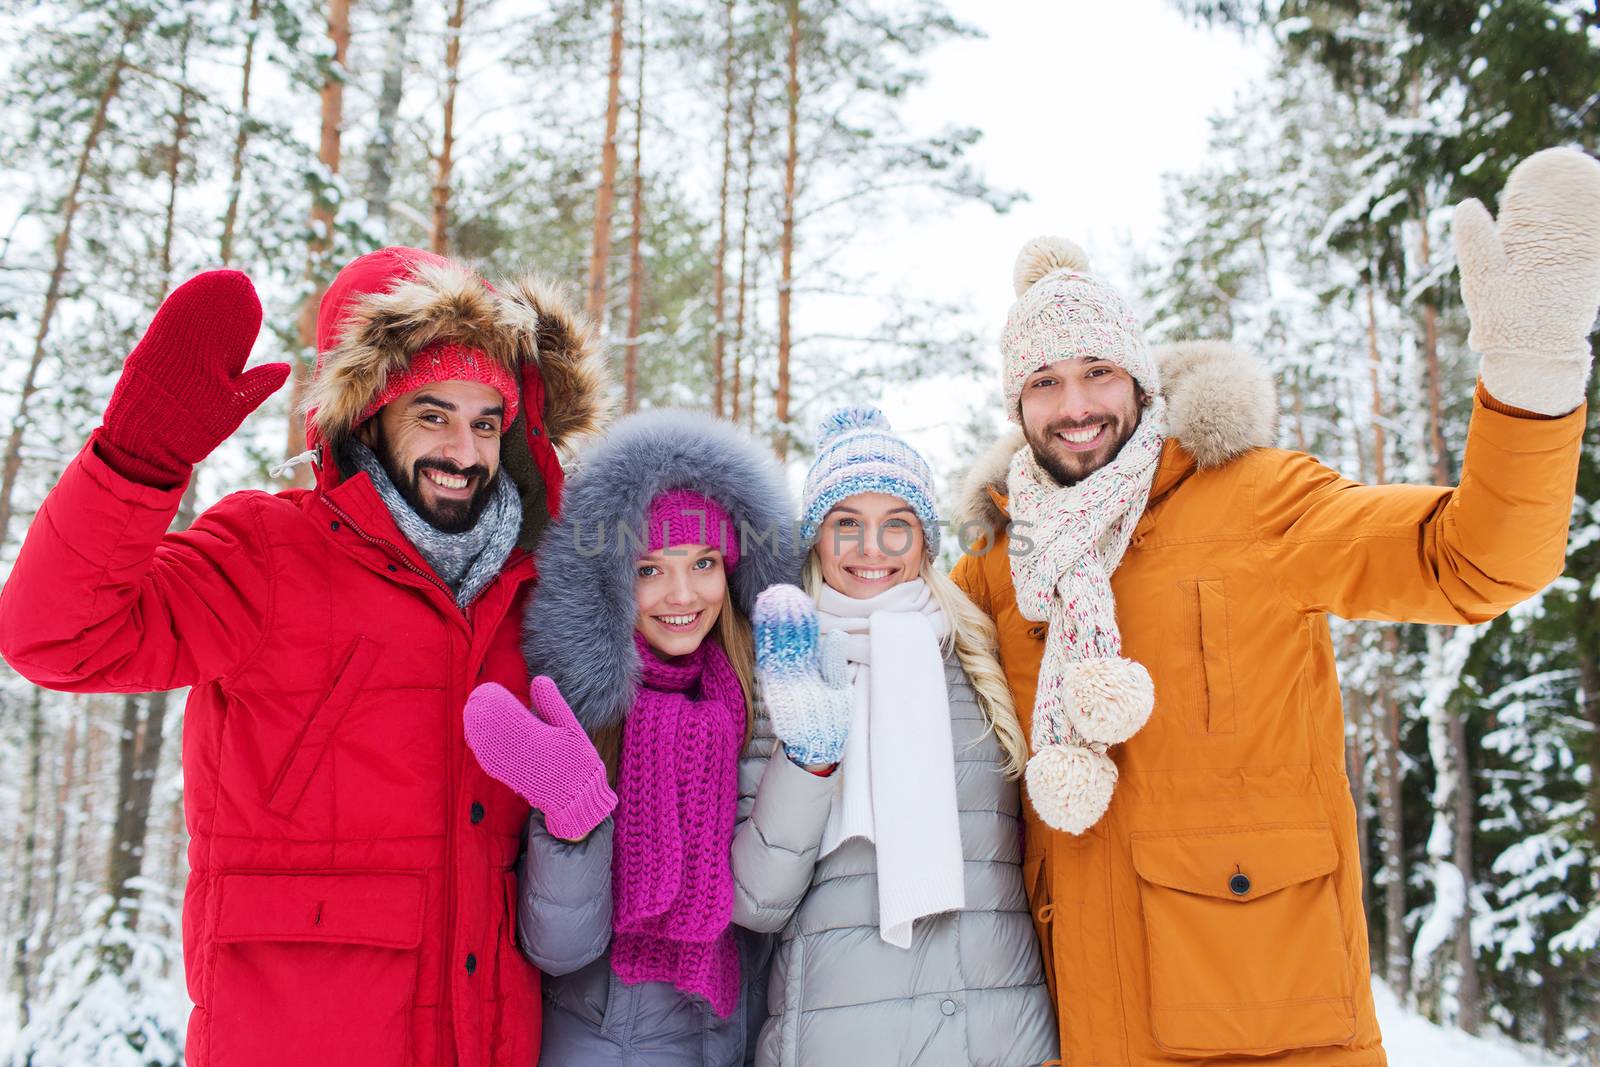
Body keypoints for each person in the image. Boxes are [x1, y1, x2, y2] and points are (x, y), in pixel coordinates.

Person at [950, 146, 1600, 1066]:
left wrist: (1532, 379)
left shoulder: (1258, 499)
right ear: (1016, 403)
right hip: (1081, 1028)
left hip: (1269, 1023)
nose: (1076, 406)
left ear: (1139, 377)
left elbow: (1471, 561)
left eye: (1097, 370)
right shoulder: (1001, 564)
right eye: (1044, 382)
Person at [0, 246, 608, 1067]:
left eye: (485, 421)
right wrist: (135, 464)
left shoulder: (534, 594)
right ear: (364, 414)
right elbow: (59, 638)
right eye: (432, 414)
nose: (464, 451)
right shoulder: (267, 551)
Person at [461, 410, 798, 1065]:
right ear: (615, 583)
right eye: (650, 568)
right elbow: (559, 946)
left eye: (702, 562)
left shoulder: (758, 704)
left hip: (731, 1037)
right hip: (603, 1041)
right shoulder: (584, 711)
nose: (682, 592)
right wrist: (572, 818)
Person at [731, 407, 1059, 1066]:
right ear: (816, 539)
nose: (870, 548)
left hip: (1002, 1033)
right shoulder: (783, 667)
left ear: (925, 540)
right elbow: (756, 898)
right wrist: (810, 756)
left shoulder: (975, 657)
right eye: (846, 523)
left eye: (896, 526)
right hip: (843, 1039)